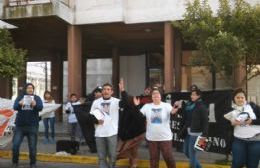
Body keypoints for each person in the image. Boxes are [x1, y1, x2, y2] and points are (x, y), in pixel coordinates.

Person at [134, 87, 178, 168]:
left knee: (168, 158)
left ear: (160, 96)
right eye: (153, 94)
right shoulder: (147, 106)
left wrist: (174, 112)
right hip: (152, 138)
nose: (155, 95)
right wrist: (137, 107)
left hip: (165, 138)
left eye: (157, 93)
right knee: (153, 159)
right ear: (151, 96)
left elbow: (172, 113)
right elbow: (139, 116)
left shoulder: (166, 105)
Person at [224, 88, 260, 168]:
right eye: (237, 97)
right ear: (234, 99)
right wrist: (232, 123)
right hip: (239, 141)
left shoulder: (253, 107)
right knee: (237, 163)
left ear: (245, 98)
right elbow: (225, 126)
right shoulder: (231, 110)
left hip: (255, 141)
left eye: (242, 97)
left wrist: (251, 121)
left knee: (252, 165)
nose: (240, 99)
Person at [12, 83, 43, 168]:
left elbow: (40, 107)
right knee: (15, 145)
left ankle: (33, 163)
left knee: (32, 147)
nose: (30, 89)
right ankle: (15, 162)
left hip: (32, 126)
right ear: (25, 89)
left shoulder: (37, 98)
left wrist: (35, 105)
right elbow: (14, 107)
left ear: (33, 89)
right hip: (20, 126)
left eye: (32, 88)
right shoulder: (20, 97)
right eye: (28, 88)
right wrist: (19, 103)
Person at [117, 79, 146, 168]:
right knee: (133, 150)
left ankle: (132, 163)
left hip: (136, 135)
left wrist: (123, 91)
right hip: (126, 135)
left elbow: (140, 118)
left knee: (126, 150)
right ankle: (133, 165)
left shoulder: (134, 109)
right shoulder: (123, 110)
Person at [90, 83, 120, 168]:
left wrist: (122, 91)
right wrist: (96, 121)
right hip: (99, 133)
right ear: (102, 91)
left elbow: (126, 104)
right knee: (101, 157)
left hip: (112, 132)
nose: (106, 91)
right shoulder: (96, 102)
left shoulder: (116, 101)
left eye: (108, 89)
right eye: (104, 89)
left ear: (112, 92)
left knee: (112, 156)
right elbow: (91, 116)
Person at [181, 89, 208, 168]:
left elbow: (206, 121)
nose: (191, 96)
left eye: (193, 95)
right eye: (191, 94)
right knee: (186, 152)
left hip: (197, 134)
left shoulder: (201, 106)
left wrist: (204, 135)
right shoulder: (189, 105)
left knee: (192, 155)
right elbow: (186, 116)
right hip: (189, 133)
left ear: (198, 96)